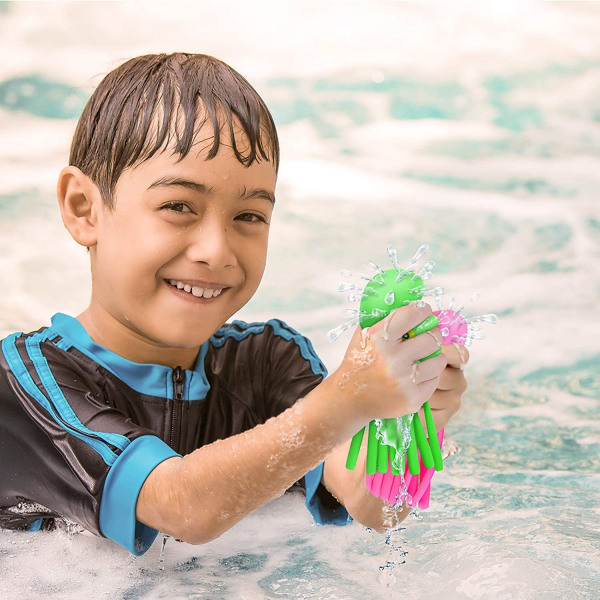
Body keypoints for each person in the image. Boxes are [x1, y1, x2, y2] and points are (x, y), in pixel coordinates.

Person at [0, 53, 468, 556]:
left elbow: (370, 506)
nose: (217, 251)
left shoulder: (267, 359)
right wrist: (349, 400)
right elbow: (181, 507)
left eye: (248, 215)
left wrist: (412, 416)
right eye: (178, 206)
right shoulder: (28, 380)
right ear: (83, 209)